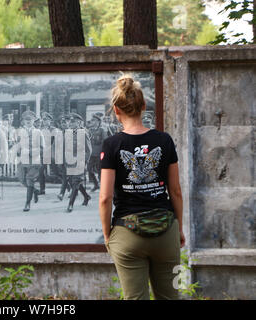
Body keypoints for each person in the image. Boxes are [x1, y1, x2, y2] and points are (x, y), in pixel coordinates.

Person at [99, 74, 185, 300]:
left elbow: (105, 198)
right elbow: (175, 191)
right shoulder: (164, 140)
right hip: (166, 232)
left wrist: (108, 235)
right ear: (144, 106)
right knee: (171, 296)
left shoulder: (112, 144)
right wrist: (179, 229)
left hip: (127, 235)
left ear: (116, 110)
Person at [13, 111, 45, 212]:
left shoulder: (38, 132)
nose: (28, 121)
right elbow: (16, 144)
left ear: (33, 121)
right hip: (22, 160)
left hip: (34, 160)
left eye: (30, 119)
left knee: (29, 179)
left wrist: (31, 152)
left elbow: (42, 147)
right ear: (23, 121)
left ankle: (27, 203)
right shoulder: (19, 132)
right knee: (22, 180)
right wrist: (17, 151)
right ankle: (35, 191)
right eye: (26, 119)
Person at [65, 112, 92, 212]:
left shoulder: (83, 133)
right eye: (70, 122)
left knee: (76, 181)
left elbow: (89, 150)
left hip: (80, 160)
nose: (71, 124)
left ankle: (70, 204)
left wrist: (85, 161)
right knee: (74, 182)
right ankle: (86, 196)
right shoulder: (68, 133)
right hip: (71, 161)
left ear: (79, 123)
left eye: (74, 122)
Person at [87, 113, 108, 192]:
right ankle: (96, 184)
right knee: (89, 169)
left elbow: (105, 141)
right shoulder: (89, 130)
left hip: (99, 153)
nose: (93, 122)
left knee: (100, 170)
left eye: (94, 120)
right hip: (91, 154)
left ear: (99, 122)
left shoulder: (102, 130)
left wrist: (103, 153)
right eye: (92, 120)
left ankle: (103, 187)